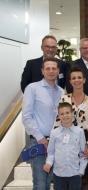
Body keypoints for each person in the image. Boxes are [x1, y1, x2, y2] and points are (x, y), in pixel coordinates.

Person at [22, 57, 64, 190]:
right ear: (42, 71)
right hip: (38, 142)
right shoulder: (32, 88)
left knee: (50, 182)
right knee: (40, 183)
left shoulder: (62, 92)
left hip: (56, 142)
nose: (51, 71)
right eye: (48, 68)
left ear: (58, 71)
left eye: (54, 68)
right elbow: (26, 117)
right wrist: (40, 138)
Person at [53, 66, 88, 189]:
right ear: (70, 81)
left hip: (84, 139)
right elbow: (57, 121)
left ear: (84, 80)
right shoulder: (64, 98)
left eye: (79, 77)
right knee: (66, 178)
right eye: (74, 78)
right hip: (65, 139)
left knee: (83, 178)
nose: (77, 80)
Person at [43, 102, 87, 190]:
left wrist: (81, 171)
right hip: (58, 174)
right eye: (62, 114)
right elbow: (51, 152)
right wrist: (48, 163)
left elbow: (83, 153)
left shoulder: (79, 132)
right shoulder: (54, 133)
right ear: (58, 116)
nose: (65, 116)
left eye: (67, 113)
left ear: (72, 114)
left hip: (75, 173)